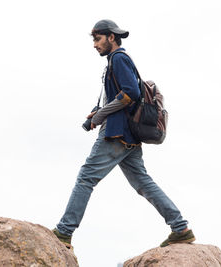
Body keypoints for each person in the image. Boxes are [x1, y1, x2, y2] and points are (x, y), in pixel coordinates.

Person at [52, 19, 195, 249]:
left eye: (97, 39)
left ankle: (64, 232)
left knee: (86, 178)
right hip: (129, 137)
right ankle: (180, 228)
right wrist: (97, 112)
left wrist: (100, 117)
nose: (94, 45)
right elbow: (121, 98)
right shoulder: (114, 61)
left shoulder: (118, 58)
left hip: (116, 135)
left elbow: (130, 93)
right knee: (144, 184)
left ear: (111, 37)